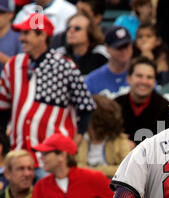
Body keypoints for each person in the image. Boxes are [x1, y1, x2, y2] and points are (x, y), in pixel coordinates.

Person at [0, 13, 96, 180]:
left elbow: (86, 107)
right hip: (19, 155)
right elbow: (2, 110)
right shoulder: (13, 64)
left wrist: (73, 144)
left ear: (42, 35)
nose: (21, 38)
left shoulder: (65, 66)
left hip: (53, 157)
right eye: (21, 33)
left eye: (26, 33)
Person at [27, 133, 114, 198]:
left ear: (62, 155)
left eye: (45, 153)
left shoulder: (93, 178)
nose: (41, 158)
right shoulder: (40, 186)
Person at [115, 56, 169, 144]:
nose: (144, 81)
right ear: (128, 79)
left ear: (154, 81)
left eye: (149, 77)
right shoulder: (115, 106)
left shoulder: (166, 110)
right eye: (139, 76)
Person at [76, 94, 135, 179]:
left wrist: (98, 171)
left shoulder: (120, 140)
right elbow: (70, 165)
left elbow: (129, 169)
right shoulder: (79, 138)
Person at [85, 25, 133, 99]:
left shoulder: (142, 75)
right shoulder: (92, 80)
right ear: (107, 48)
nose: (124, 51)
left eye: (126, 46)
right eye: (119, 47)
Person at [56, 11, 108, 77]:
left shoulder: (101, 54)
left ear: (90, 32)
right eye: (68, 28)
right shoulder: (60, 55)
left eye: (77, 28)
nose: (71, 31)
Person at [0, 0, 23, 72]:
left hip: (9, 81)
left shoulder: (19, 37)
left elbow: (24, 67)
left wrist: (3, 59)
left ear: (11, 14)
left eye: (1, 12)